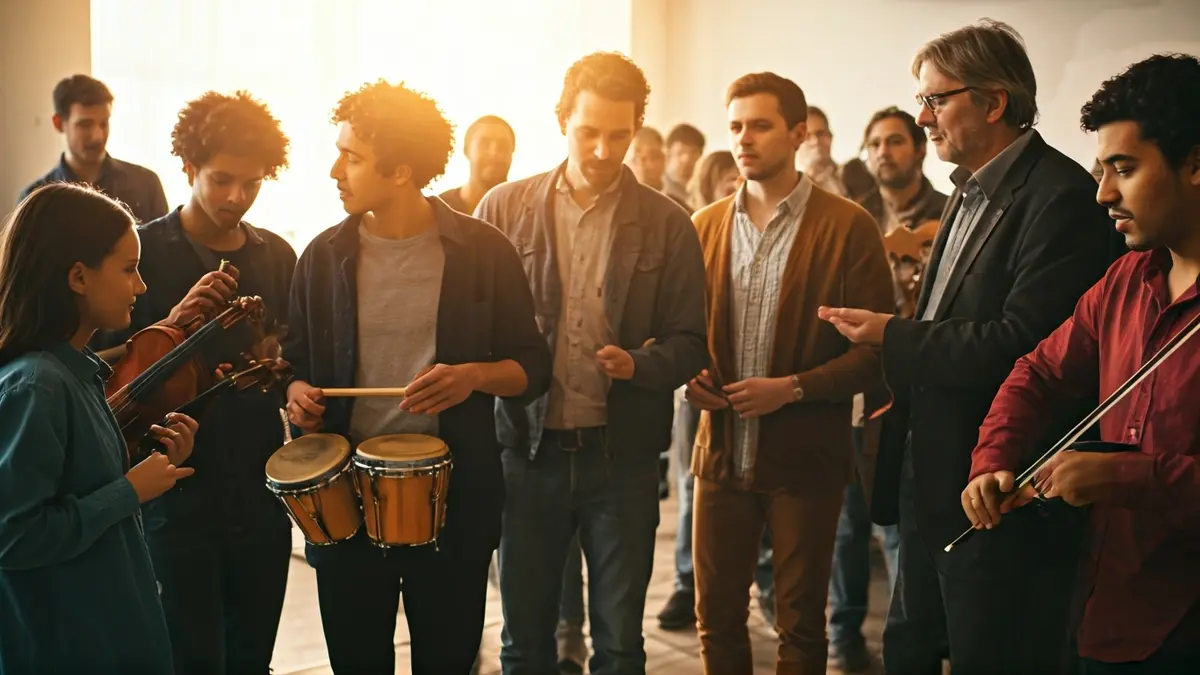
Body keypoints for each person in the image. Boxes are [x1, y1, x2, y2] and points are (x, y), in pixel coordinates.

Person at [818, 19, 1125, 674]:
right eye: (921, 100)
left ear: (993, 102)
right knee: (906, 649)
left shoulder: (1061, 198)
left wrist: (889, 335)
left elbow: (1022, 344)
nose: (922, 117)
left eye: (937, 99)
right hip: (930, 478)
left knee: (992, 654)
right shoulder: (967, 188)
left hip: (994, 489)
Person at [282, 79, 551, 675]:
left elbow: (533, 369)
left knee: (449, 661)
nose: (335, 170)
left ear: (400, 170)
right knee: (357, 662)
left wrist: (474, 376)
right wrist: (294, 393)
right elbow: (293, 364)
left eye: (351, 156)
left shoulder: (485, 251)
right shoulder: (321, 258)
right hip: (345, 499)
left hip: (456, 500)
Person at [963, 52, 1200, 675]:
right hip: (1104, 603)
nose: (1103, 192)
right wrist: (994, 459)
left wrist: (1122, 479)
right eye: (1101, 168)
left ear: (1196, 165)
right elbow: (1037, 375)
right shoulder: (1125, 278)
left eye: (1124, 168)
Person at [477, 51, 708, 675]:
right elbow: (469, 334)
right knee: (524, 644)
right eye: (589, 133)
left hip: (623, 460)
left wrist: (640, 364)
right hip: (525, 455)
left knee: (619, 647)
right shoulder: (502, 210)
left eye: (619, 135)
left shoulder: (669, 224)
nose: (605, 151)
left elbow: (692, 343)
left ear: (636, 129)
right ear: (561, 120)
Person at [686, 71, 893, 675]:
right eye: (734, 126)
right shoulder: (702, 226)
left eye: (759, 125)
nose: (743, 139)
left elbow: (878, 351)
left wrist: (793, 389)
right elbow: (680, 335)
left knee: (801, 626)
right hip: (720, 455)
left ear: (798, 132)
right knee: (716, 621)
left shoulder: (848, 224)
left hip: (806, 461)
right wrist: (691, 375)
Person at [89, 90, 297, 675]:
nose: (237, 198)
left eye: (252, 184)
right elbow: (85, 362)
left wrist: (279, 366)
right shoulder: (141, 252)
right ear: (187, 167)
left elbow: (293, 356)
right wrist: (172, 325)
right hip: (169, 488)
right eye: (222, 180)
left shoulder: (277, 255)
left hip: (258, 480)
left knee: (253, 653)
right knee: (188, 656)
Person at [0, 183, 198, 673]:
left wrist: (146, 467)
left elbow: (77, 488)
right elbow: (14, 537)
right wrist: (130, 491)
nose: (142, 286)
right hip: (70, 645)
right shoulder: (37, 385)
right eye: (129, 269)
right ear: (78, 277)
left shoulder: (75, 370)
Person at [829, 105, 946, 672]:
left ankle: (910, 643)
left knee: (899, 527)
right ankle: (843, 632)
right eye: (873, 143)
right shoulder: (851, 219)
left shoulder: (951, 216)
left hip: (917, 392)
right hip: (853, 390)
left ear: (919, 149)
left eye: (896, 141)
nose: (883, 152)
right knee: (845, 523)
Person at [658, 147, 777, 633]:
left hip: (759, 381)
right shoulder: (699, 232)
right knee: (695, 484)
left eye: (737, 176)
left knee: (766, 482)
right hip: (701, 381)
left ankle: (766, 584)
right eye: (723, 179)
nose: (735, 185)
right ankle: (689, 583)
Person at [20, 75, 168, 223]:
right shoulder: (35, 200)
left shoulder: (146, 185)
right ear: (59, 124)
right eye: (85, 124)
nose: (98, 136)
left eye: (104, 123)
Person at [439, 115, 516, 215]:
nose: (494, 152)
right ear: (466, 150)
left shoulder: (527, 213)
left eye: (503, 146)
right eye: (485, 144)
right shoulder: (440, 209)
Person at [664, 123, 706, 209]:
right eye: (680, 152)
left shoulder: (705, 190)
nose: (687, 159)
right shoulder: (660, 190)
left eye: (693, 152)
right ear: (668, 157)